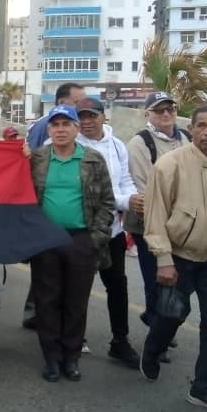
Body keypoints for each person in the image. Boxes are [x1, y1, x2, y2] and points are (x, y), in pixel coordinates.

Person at [140, 106, 207, 412]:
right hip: (180, 257)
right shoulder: (169, 165)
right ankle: (153, 350)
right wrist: (164, 259)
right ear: (192, 128)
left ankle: (205, 388)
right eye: (202, 126)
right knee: (172, 314)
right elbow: (154, 215)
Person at [28, 104, 115, 383]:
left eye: (67, 124)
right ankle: (51, 357)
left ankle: (71, 357)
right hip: (46, 239)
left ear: (77, 128)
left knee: (75, 302)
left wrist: (96, 238)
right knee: (47, 299)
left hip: (81, 238)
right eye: (56, 125)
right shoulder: (38, 159)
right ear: (49, 129)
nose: (61, 129)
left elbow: (106, 202)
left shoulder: (93, 160)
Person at [75, 97, 141, 368]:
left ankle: (120, 340)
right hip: (79, 229)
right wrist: (125, 201)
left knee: (117, 285)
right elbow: (92, 192)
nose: (87, 122)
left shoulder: (117, 145)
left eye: (92, 116)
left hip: (111, 230)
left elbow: (124, 180)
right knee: (78, 287)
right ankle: (74, 337)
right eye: (82, 117)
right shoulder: (72, 144)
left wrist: (133, 197)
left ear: (104, 116)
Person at [124, 92, 190, 344]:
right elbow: (143, 190)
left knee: (176, 280)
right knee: (157, 278)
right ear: (147, 114)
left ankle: (159, 319)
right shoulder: (140, 144)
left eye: (170, 109)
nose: (165, 114)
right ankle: (157, 331)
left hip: (181, 225)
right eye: (159, 110)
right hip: (148, 225)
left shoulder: (186, 138)